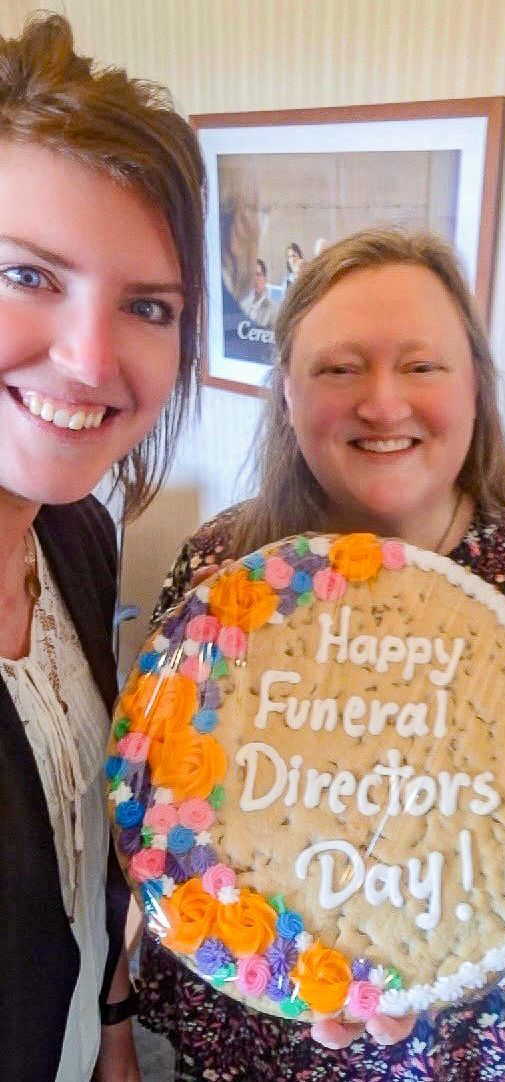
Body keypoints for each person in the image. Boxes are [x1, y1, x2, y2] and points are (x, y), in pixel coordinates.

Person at [139, 228, 505, 1081]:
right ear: (286, 395)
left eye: (421, 365)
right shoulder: (222, 574)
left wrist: (463, 955)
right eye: (338, 369)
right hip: (260, 1023)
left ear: (475, 385)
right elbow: (155, 799)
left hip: (475, 1034)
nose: (383, 403)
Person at [0, 13, 205, 1082]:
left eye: (146, 304)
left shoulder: (76, 532)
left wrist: (113, 1022)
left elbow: (87, 840)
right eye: (26, 274)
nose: (87, 360)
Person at [241, 259, 278, 329]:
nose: (254, 278)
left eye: (258, 274)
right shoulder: (242, 305)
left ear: (265, 279)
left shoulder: (273, 310)